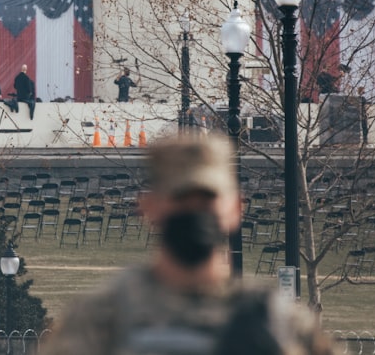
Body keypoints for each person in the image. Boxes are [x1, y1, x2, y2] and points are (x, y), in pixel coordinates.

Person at [44, 133, 334, 355]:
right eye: (182, 200)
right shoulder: (101, 320)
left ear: (235, 209)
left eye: (207, 201)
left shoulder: (278, 323)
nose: (195, 212)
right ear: (149, 207)